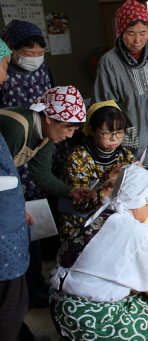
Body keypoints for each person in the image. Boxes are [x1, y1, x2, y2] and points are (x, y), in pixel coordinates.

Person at [50, 165, 148, 340]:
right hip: (84, 314)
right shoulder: (135, 231)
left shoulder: (103, 213)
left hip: (57, 302)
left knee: (142, 301)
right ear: (143, 201)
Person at [93, 0, 148, 164]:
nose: (137, 40)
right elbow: (105, 105)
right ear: (120, 31)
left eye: (143, 32)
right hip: (133, 134)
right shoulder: (109, 62)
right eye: (131, 33)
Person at [59, 100, 135, 243]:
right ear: (92, 130)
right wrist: (108, 185)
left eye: (119, 133)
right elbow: (80, 205)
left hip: (113, 222)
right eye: (107, 133)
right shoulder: (77, 159)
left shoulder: (126, 156)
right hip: (81, 227)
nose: (114, 139)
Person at [0, 85, 90, 200]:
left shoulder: (46, 133)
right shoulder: (17, 130)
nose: (70, 135)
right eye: (68, 129)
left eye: (74, 130)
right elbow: (2, 176)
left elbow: (40, 173)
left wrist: (71, 192)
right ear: (50, 118)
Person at [0, 39, 32, 341]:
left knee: (13, 299)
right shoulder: (15, 128)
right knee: (12, 301)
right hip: (3, 236)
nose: (6, 76)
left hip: (8, 218)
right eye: (5, 65)